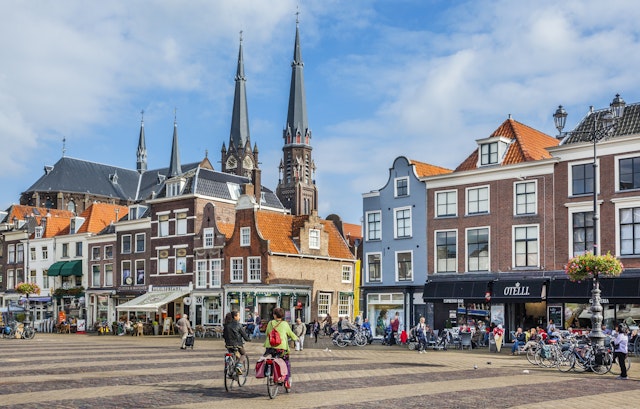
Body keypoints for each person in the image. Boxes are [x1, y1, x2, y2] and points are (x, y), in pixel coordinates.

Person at [263, 307, 298, 389]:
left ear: (274, 315)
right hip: (281, 348)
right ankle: (286, 380)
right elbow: (290, 333)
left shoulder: (270, 323)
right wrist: (296, 338)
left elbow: (267, 333)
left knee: (270, 359)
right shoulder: (285, 324)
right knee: (286, 362)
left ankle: (270, 375)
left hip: (270, 347)